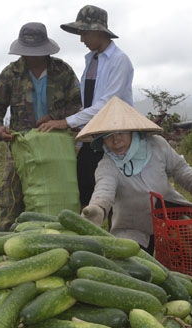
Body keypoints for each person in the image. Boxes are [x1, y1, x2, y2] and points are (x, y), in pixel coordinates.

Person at [78, 96, 192, 254]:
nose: (115, 141)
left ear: (132, 130)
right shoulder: (107, 164)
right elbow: (104, 189)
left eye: (120, 133)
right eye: (107, 136)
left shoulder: (157, 144)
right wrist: (98, 208)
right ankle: (166, 246)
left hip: (170, 209)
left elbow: (179, 168)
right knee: (138, 262)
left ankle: (174, 244)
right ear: (101, 141)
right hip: (134, 226)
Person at [0, 22, 81, 231]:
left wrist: (54, 117)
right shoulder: (11, 73)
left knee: (62, 196)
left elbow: (77, 105)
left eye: (37, 51)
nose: (33, 56)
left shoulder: (63, 71)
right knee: (10, 197)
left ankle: (62, 238)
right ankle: (4, 244)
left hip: (57, 146)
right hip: (22, 146)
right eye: (28, 52)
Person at [38, 5, 134, 208]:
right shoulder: (92, 61)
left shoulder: (119, 61)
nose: (82, 39)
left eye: (85, 33)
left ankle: (115, 235)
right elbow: (87, 103)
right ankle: (90, 234)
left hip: (115, 137)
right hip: (92, 136)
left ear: (99, 31)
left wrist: (65, 122)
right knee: (86, 189)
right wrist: (62, 118)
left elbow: (107, 104)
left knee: (115, 196)